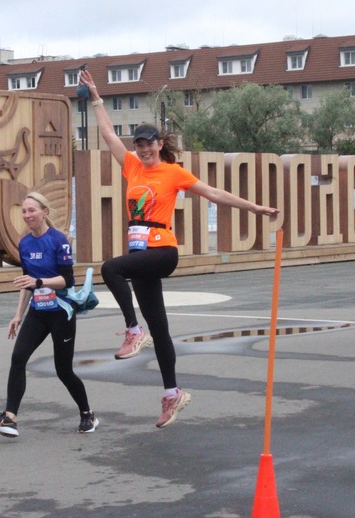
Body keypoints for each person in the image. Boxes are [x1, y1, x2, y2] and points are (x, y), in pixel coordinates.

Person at [78, 69, 280, 428]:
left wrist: (255, 208)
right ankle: (173, 394)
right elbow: (108, 134)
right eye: (138, 144)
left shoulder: (173, 173)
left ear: (159, 144)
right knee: (161, 327)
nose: (141, 149)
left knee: (110, 268)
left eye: (147, 144)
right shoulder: (131, 168)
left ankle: (132, 330)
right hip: (141, 255)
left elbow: (214, 194)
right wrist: (96, 97)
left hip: (163, 250)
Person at [0, 192, 99, 437]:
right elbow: (27, 282)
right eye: (24, 211)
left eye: (32, 210)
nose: (27, 215)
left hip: (61, 313)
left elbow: (66, 280)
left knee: (63, 370)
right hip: (37, 313)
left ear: (44, 211)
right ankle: (10, 418)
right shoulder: (24, 244)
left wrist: (39, 281)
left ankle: (87, 414)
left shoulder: (59, 241)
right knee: (18, 359)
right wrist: (17, 315)